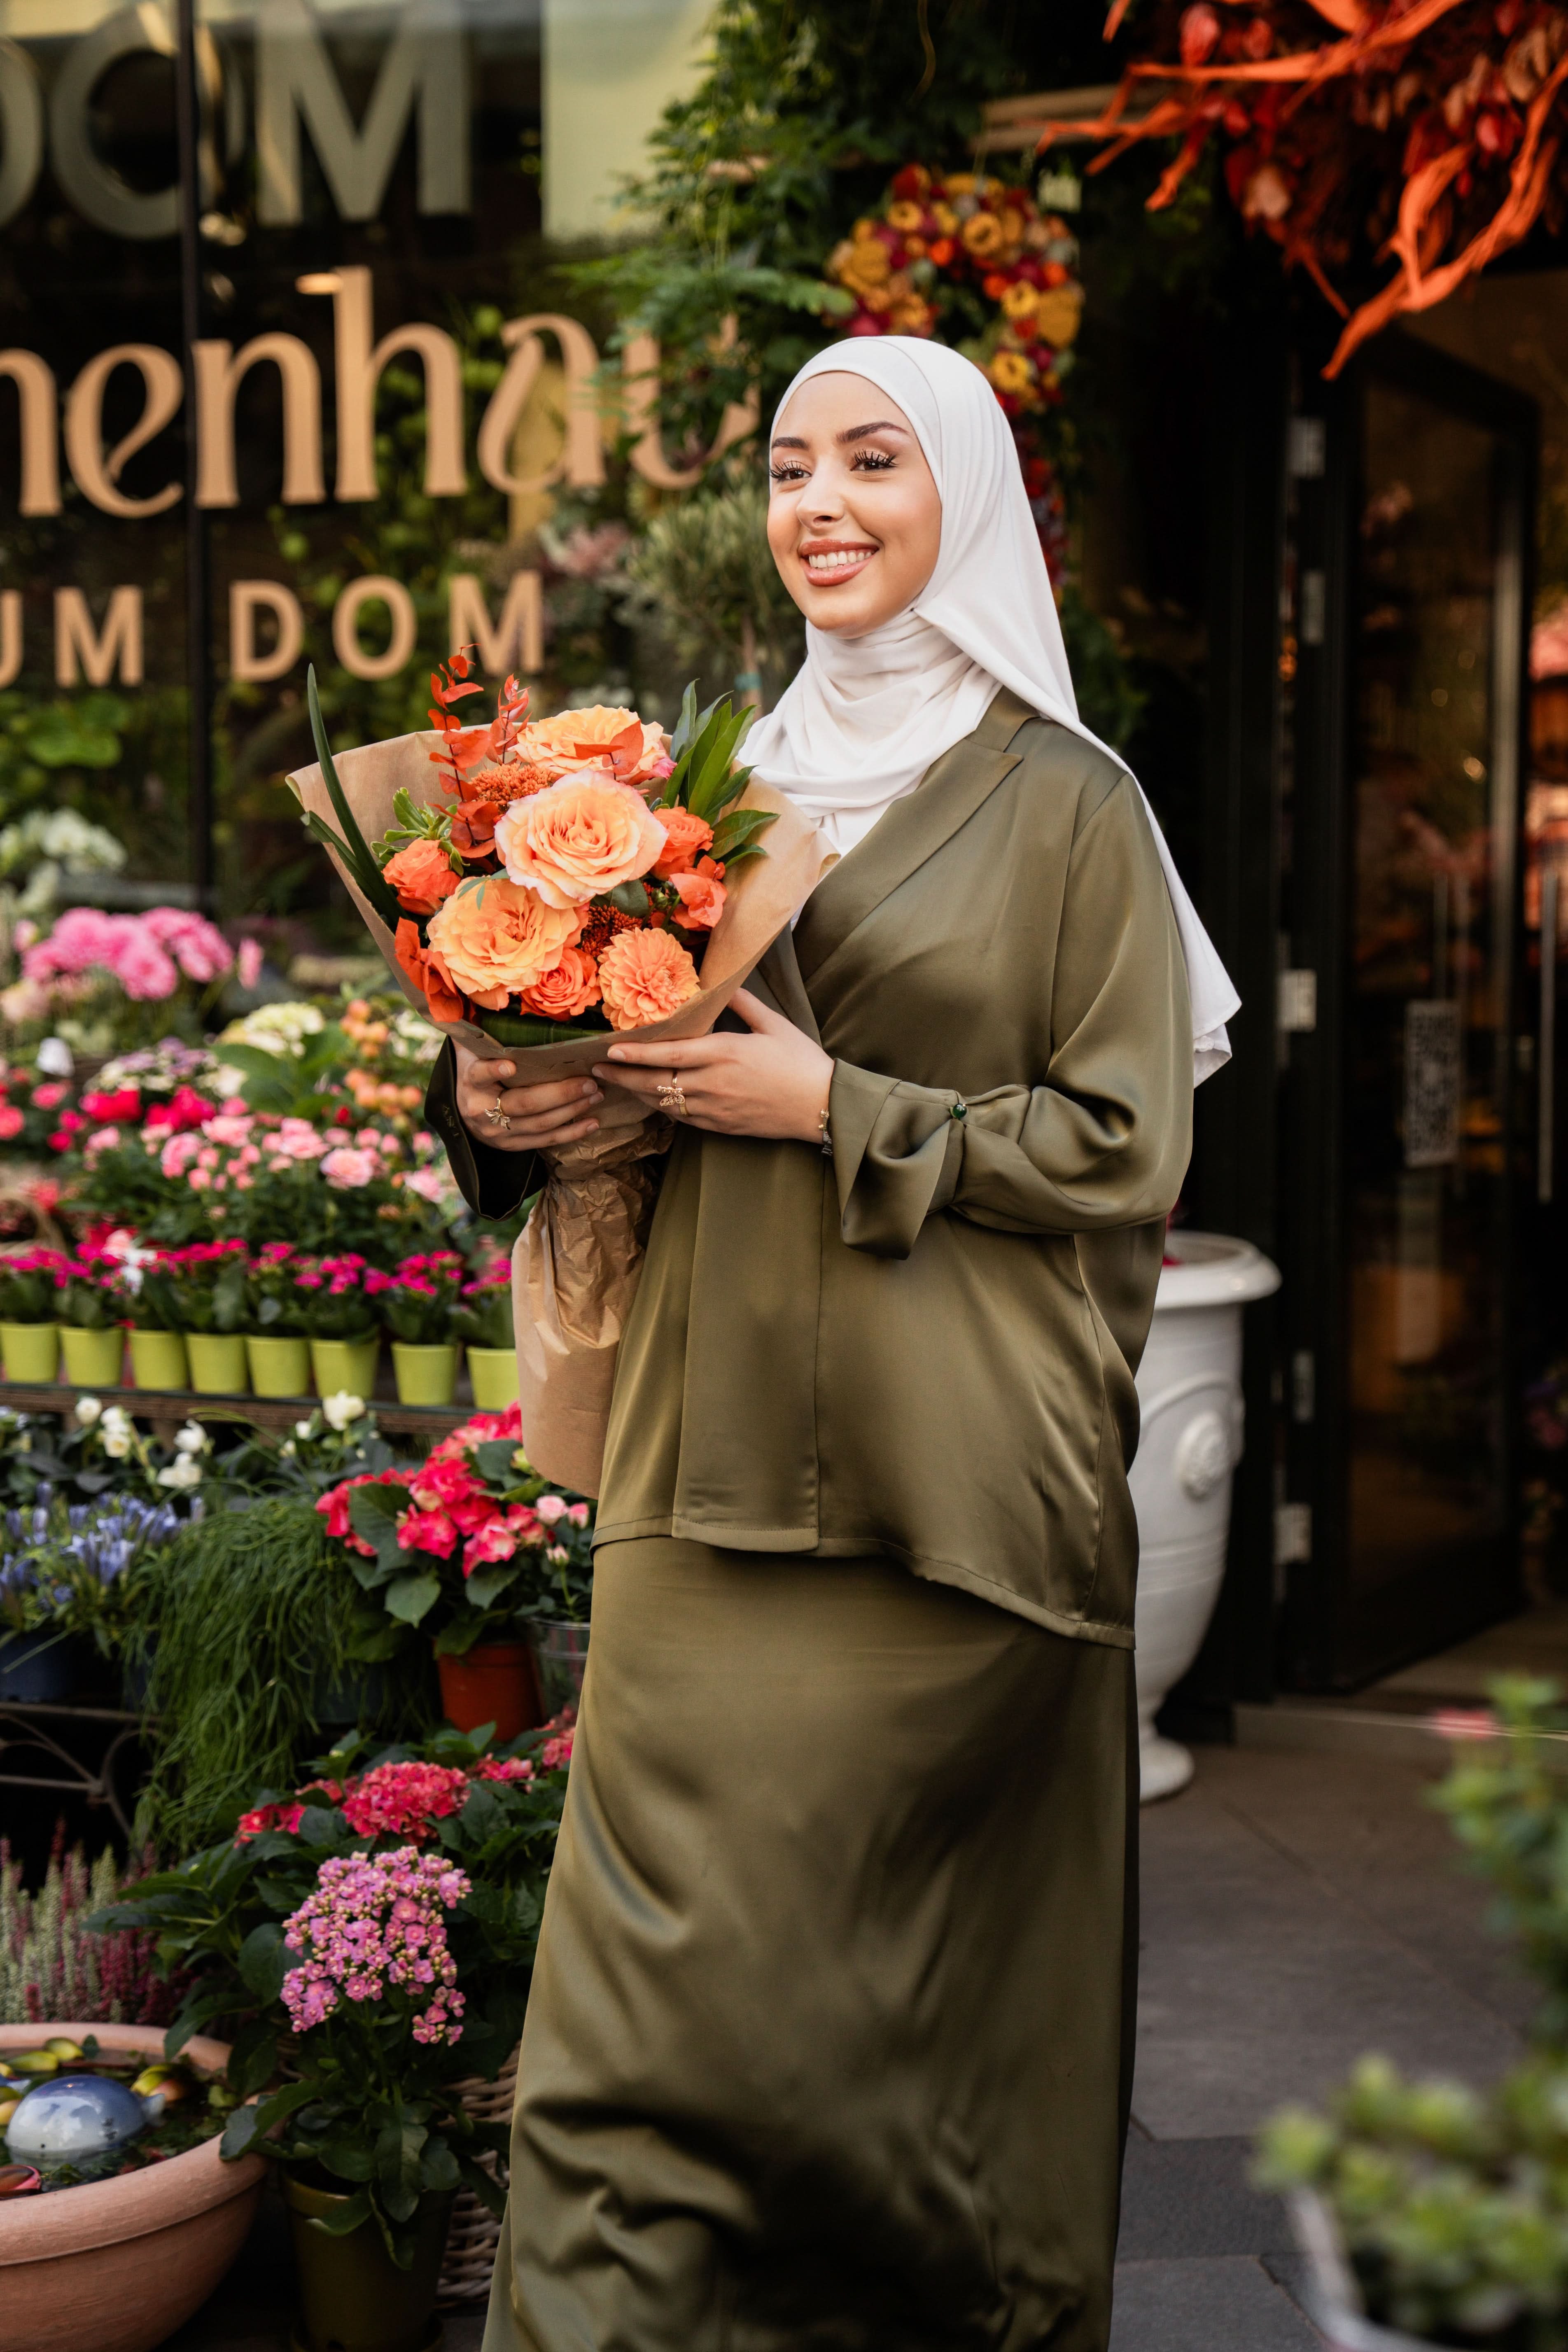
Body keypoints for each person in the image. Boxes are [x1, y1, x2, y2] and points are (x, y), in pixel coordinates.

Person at [426, 336, 1238, 2352]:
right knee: (622, 2054)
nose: (822, 504)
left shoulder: (1071, 805)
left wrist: (839, 1110)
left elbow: (1124, 1148)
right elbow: (617, 1084)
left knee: (890, 2045)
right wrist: (510, 1107)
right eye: (791, 466)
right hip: (699, 1478)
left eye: (874, 460)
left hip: (950, 1494)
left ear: (959, 490)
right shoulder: (701, 797)